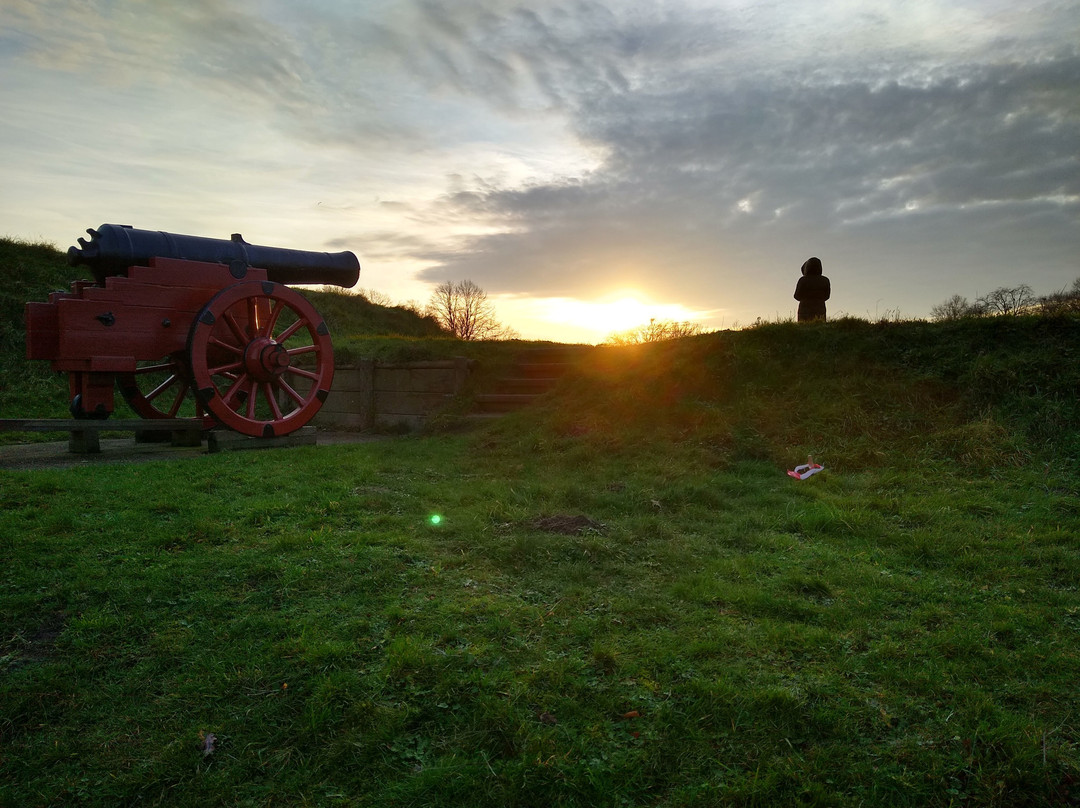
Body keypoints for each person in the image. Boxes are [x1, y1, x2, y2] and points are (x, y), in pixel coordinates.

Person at [794, 256, 830, 322]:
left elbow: (797, 296)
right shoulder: (825, 280)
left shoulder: (803, 280)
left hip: (804, 309)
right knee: (819, 329)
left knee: (804, 329)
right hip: (820, 308)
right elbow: (827, 296)